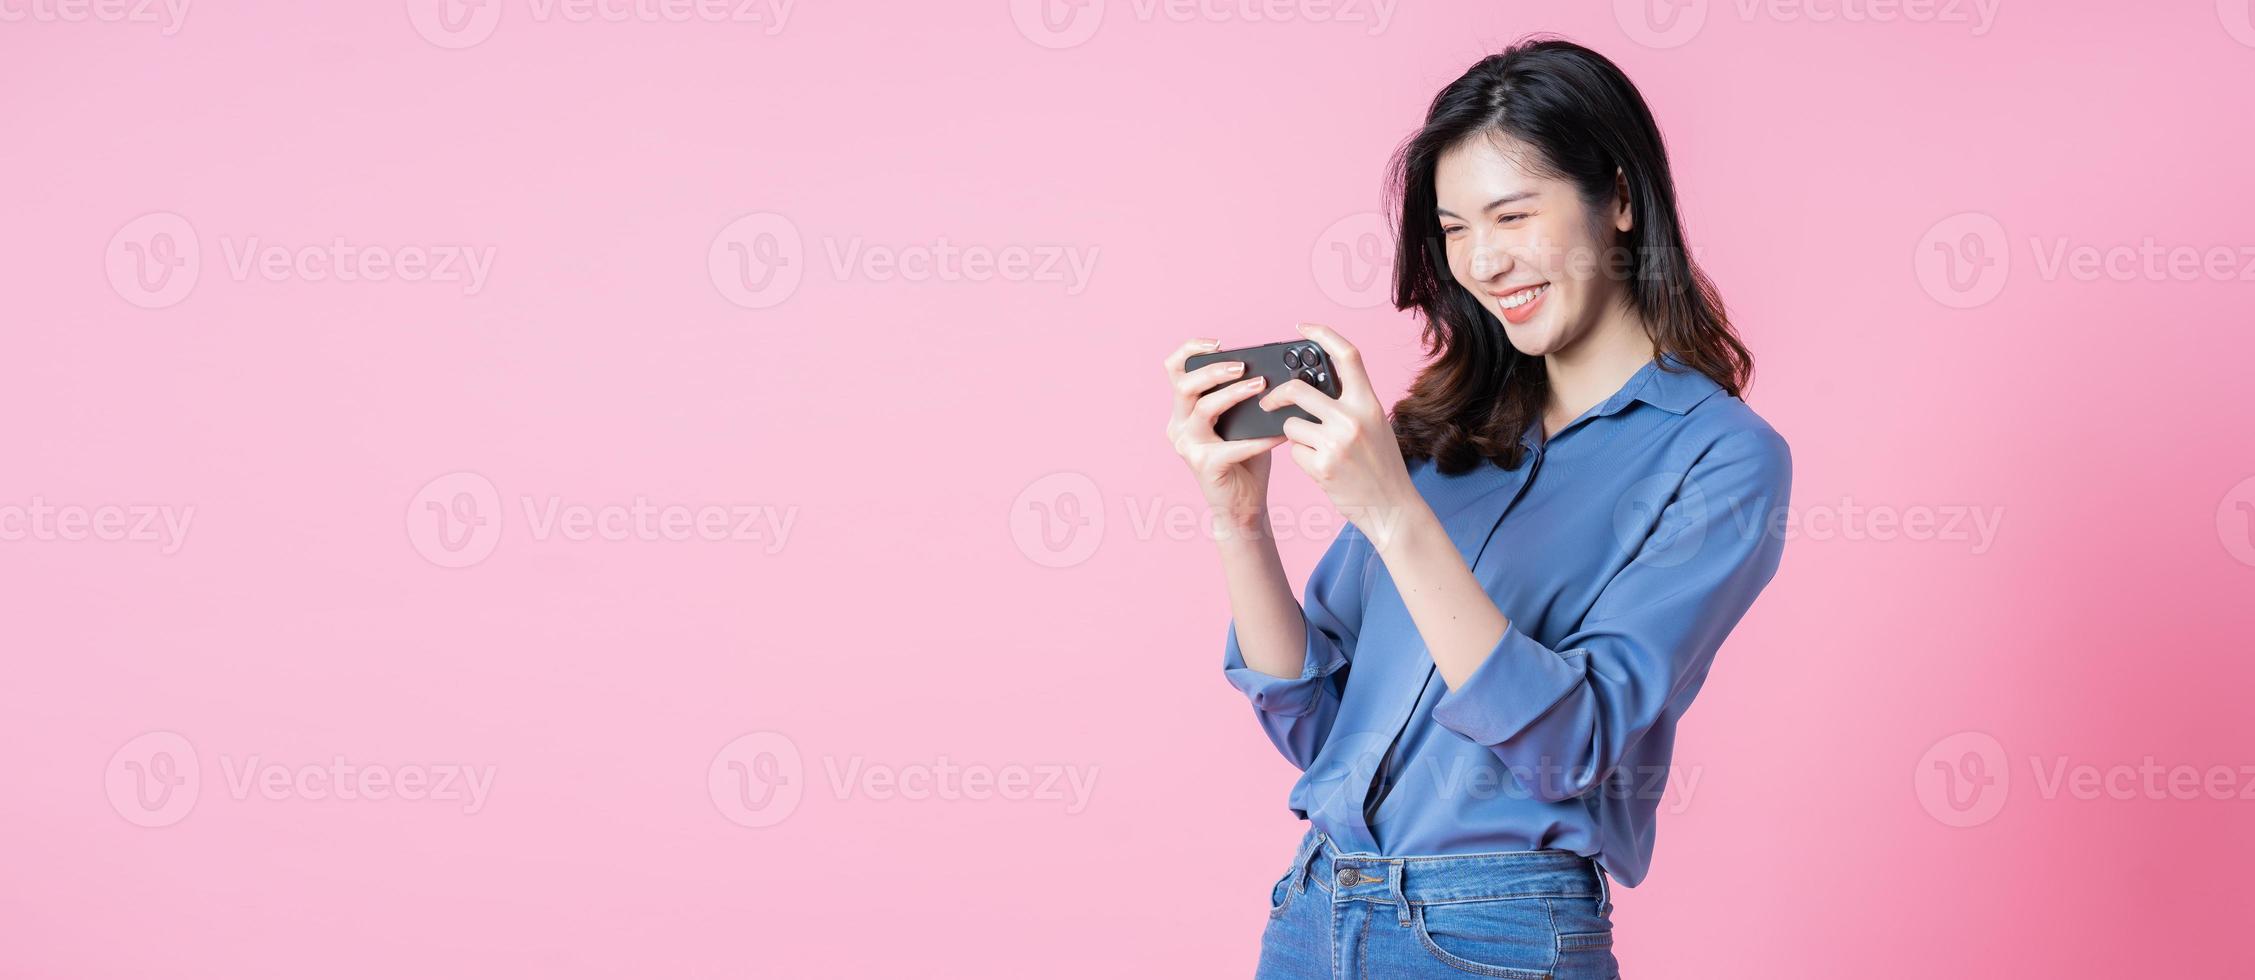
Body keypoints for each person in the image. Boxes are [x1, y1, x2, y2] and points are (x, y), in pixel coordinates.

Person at [1161, 37, 1792, 979]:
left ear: (1618, 199)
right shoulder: (1440, 430)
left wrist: (1393, 515)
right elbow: (1315, 725)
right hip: (1311, 907)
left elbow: (1572, 745)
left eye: (1512, 214)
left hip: (1492, 932)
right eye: (1454, 229)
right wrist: (1238, 516)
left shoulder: (1721, 456)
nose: (1484, 261)